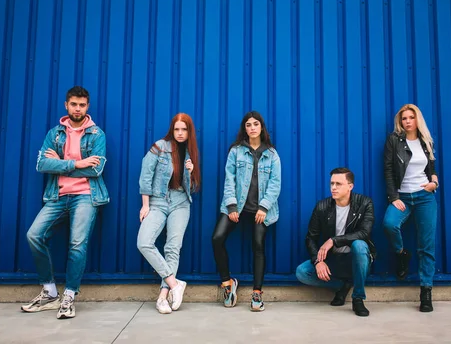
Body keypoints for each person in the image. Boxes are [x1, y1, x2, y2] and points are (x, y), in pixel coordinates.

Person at [22, 86, 108, 319]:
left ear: (87, 106)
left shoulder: (97, 134)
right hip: (57, 196)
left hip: (86, 197)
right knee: (34, 235)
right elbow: (41, 165)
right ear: (66, 105)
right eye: (74, 104)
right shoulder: (55, 134)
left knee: (77, 244)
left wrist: (60, 163)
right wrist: (76, 164)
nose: (77, 109)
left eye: (82, 105)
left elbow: (97, 169)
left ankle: (69, 295)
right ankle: (50, 292)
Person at [211, 111, 281, 312]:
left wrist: (264, 207)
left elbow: (275, 184)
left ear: (261, 127)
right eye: (248, 125)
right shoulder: (236, 151)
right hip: (237, 206)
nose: (252, 127)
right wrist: (231, 206)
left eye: (255, 124)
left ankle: (257, 293)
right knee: (217, 238)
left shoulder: (272, 154)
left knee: (258, 244)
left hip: (260, 209)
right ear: (245, 128)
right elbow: (229, 179)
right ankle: (227, 284)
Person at [137, 113, 201, 314]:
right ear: (172, 130)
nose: (180, 133)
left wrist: (190, 173)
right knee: (144, 242)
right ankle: (175, 284)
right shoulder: (159, 147)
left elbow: (193, 188)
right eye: (177, 129)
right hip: (157, 201)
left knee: (172, 248)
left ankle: (163, 297)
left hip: (181, 203)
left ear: (189, 132)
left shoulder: (191, 153)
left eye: (184, 129)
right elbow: (145, 175)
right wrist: (145, 205)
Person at [295, 168, 376, 317]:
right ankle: (344, 285)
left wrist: (334, 240)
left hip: (357, 260)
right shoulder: (322, 206)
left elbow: (364, 233)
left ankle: (358, 298)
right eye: (332, 183)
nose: (333, 187)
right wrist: (317, 261)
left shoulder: (365, 203)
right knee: (302, 272)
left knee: (359, 245)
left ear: (350, 186)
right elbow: (310, 238)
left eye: (338, 184)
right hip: (334, 260)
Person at [382, 104, 439, 312]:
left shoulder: (425, 140)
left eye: (411, 118)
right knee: (389, 224)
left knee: (426, 246)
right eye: (404, 118)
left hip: (425, 196)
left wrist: (434, 182)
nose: (407, 121)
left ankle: (426, 292)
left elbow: (431, 166)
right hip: (403, 197)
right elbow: (388, 169)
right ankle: (401, 254)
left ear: (417, 120)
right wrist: (393, 196)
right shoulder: (394, 140)